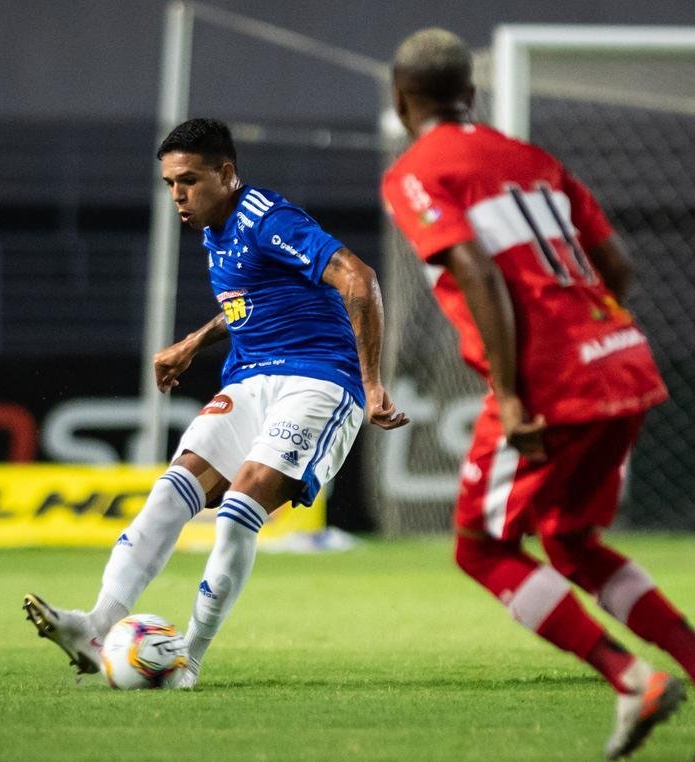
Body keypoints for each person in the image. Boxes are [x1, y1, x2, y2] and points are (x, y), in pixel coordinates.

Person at [382, 29, 695, 762]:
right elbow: (616, 262)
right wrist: (592, 336)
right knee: (567, 539)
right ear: (472, 93)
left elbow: (474, 267)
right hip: (620, 358)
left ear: (402, 100)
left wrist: (514, 393)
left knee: (482, 549)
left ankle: (631, 679)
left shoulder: (417, 172)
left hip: (549, 379)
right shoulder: (533, 161)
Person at [25, 118, 408, 688]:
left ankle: (188, 658)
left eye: (190, 181)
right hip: (250, 381)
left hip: (318, 382)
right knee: (169, 493)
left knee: (238, 509)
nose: (178, 195)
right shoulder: (215, 228)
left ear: (226, 174)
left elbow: (359, 278)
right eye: (170, 184)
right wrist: (193, 343)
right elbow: (252, 301)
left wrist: (372, 382)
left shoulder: (267, 218)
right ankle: (95, 626)